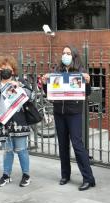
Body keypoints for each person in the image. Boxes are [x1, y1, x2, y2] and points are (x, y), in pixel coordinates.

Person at [42, 45, 95, 191]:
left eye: (68, 53)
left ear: (74, 55)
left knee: (77, 145)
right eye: (64, 53)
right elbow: (49, 93)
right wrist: (45, 83)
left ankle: (88, 178)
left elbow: (87, 92)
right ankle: (65, 175)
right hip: (59, 112)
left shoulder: (80, 72)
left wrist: (88, 82)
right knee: (63, 145)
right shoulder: (57, 71)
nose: (65, 55)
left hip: (74, 113)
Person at [0, 55, 33, 187]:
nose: (5, 70)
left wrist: (19, 86)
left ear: (13, 70)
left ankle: (26, 175)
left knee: (21, 150)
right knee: (7, 151)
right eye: (2, 68)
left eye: (7, 68)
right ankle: (6, 175)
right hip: (2, 124)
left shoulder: (19, 81)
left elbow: (31, 95)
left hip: (18, 122)